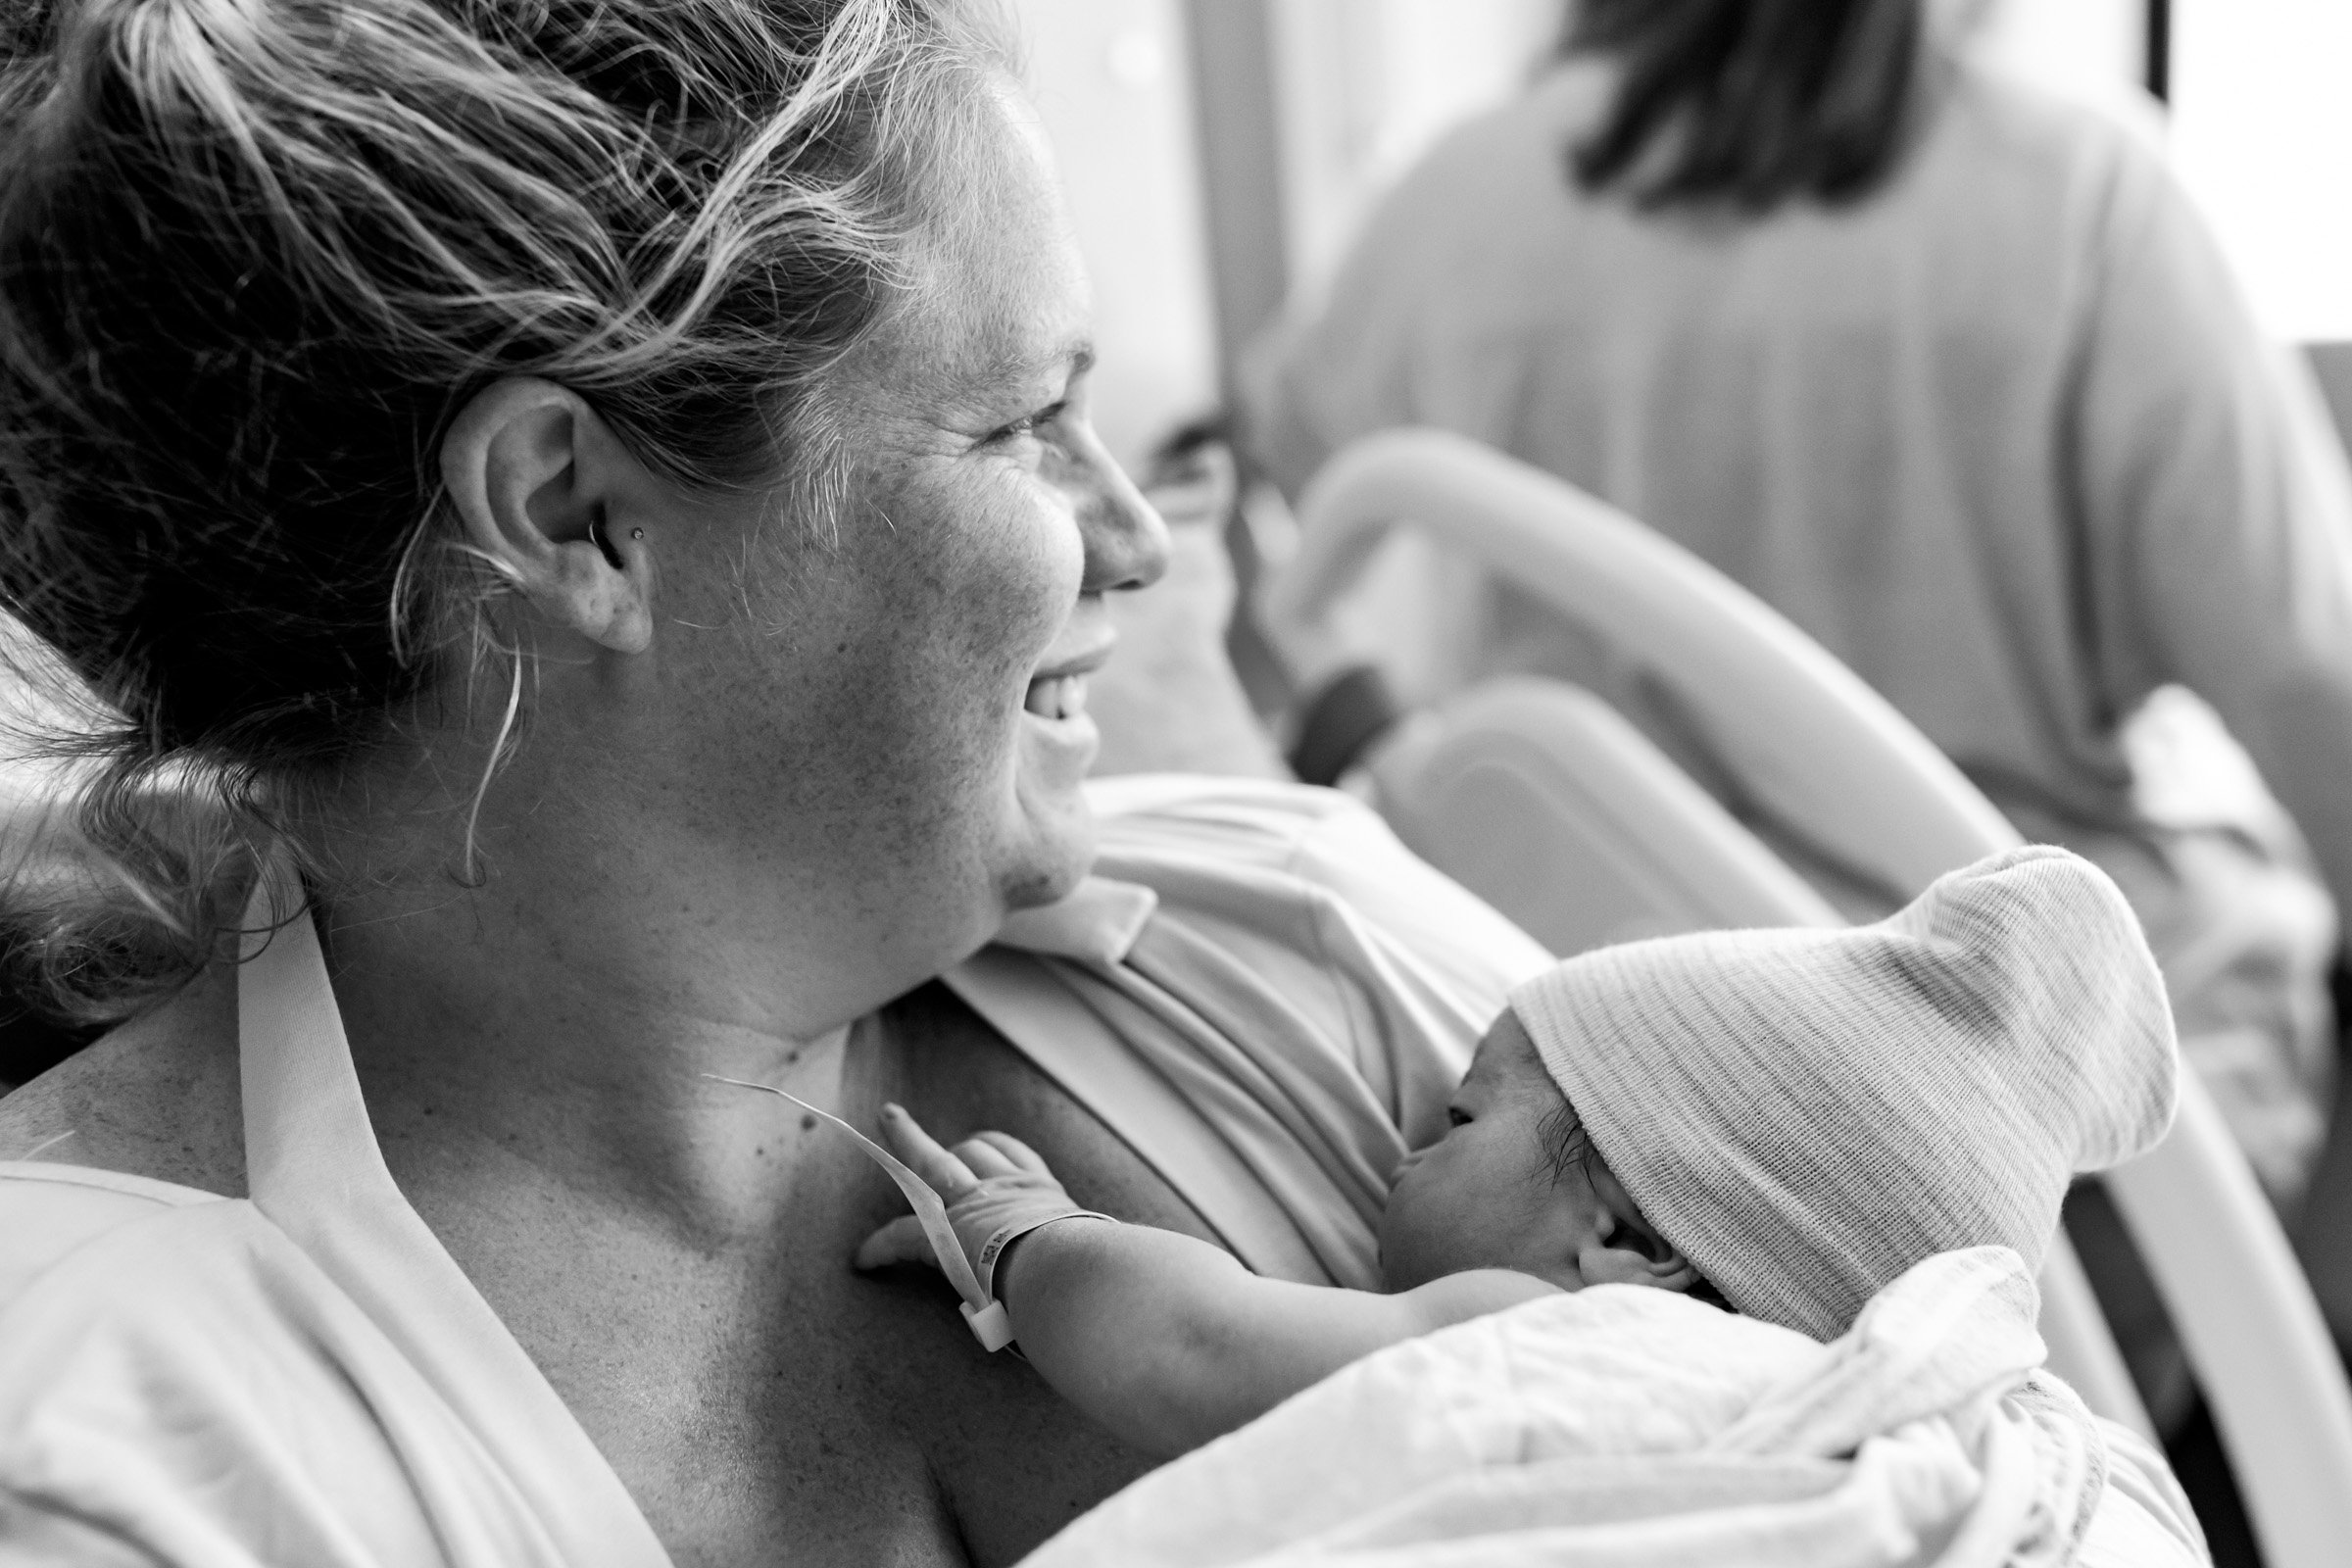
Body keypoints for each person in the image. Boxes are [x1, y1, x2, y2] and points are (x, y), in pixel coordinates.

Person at [0, 2, 1571, 1560]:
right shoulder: (110, 1444)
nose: (1139, 535)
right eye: (1028, 425)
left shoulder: (1313, 951)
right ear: (575, 514)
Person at [1241, 0, 2352, 1366]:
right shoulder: (2084, 196)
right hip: (2035, 1173)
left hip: (1586, 1134)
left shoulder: (1449, 202)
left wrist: (1377, 736)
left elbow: (1252, 536)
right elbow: (2316, 687)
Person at [849, 847, 2206, 1563]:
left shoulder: (1599, 1339)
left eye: (1459, 1119)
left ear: (1627, 1243)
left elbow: (1189, 1351)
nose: (1404, 1136)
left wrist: (1035, 1239)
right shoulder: (1961, 1442)